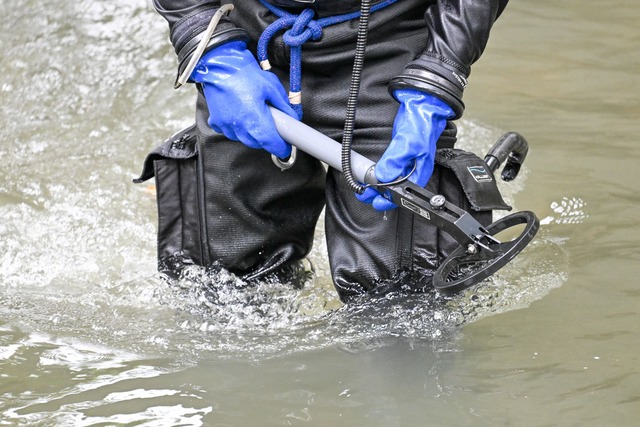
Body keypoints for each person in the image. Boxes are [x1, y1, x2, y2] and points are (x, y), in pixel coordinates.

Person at [149, 0, 510, 302]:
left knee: (402, 302)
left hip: (393, 41)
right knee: (221, 287)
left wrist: (437, 79)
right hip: (248, 39)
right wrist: (211, 48)